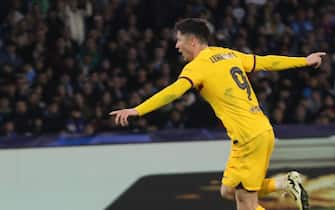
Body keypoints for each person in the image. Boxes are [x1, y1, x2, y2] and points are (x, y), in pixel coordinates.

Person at [109, 18, 325, 210]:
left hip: (248, 136)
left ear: (192, 42)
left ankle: (285, 183)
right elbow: (267, 61)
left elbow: (173, 92)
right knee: (228, 191)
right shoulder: (227, 54)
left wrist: (137, 109)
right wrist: (303, 60)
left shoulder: (198, 66)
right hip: (257, 131)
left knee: (245, 203)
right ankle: (283, 183)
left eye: (179, 40)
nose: (176, 45)